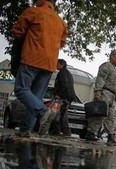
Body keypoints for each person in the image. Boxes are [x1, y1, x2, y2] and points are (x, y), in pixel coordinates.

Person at [12, 0, 67, 137]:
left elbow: (17, 31)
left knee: (21, 89)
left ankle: (43, 111)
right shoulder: (61, 22)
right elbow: (62, 43)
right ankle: (25, 130)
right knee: (36, 96)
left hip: (32, 58)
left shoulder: (33, 12)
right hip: (49, 64)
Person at [84, 50, 116, 146]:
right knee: (101, 114)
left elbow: (114, 84)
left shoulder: (114, 69)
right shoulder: (106, 66)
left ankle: (110, 136)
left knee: (111, 116)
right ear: (112, 56)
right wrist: (97, 92)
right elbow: (101, 78)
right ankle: (90, 132)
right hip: (104, 92)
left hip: (111, 95)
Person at [51, 59, 77, 137]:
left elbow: (64, 84)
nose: (56, 66)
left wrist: (58, 94)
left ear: (61, 64)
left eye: (57, 64)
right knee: (59, 114)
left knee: (59, 114)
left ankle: (65, 131)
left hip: (63, 97)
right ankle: (57, 130)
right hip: (67, 97)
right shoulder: (67, 73)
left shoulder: (62, 73)